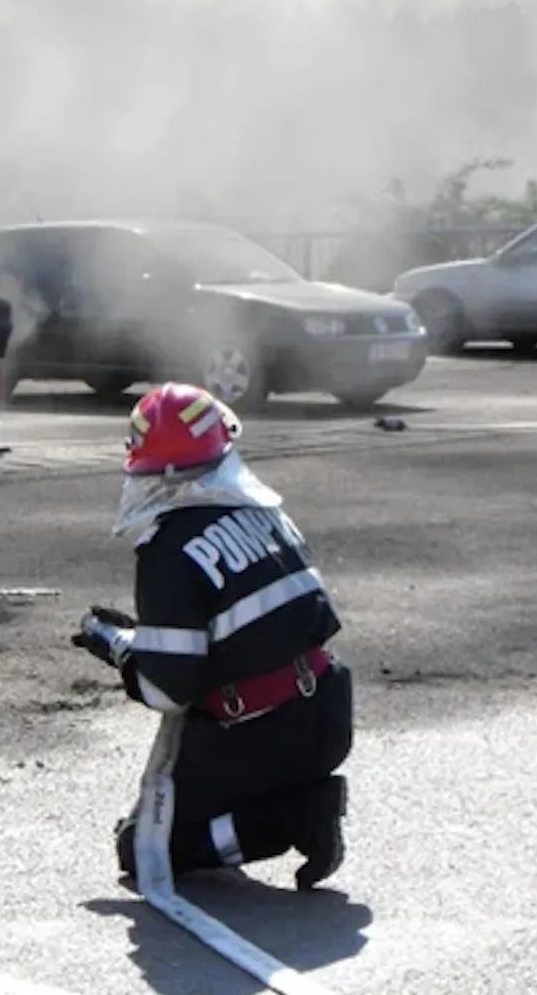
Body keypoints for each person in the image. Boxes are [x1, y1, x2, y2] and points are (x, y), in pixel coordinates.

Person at [71, 381, 353, 891]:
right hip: (326, 713)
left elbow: (168, 691)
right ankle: (295, 800)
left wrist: (120, 649)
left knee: (143, 849)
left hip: (256, 733)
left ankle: (293, 818)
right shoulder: (266, 515)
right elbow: (249, 628)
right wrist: (149, 636)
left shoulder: (167, 551)